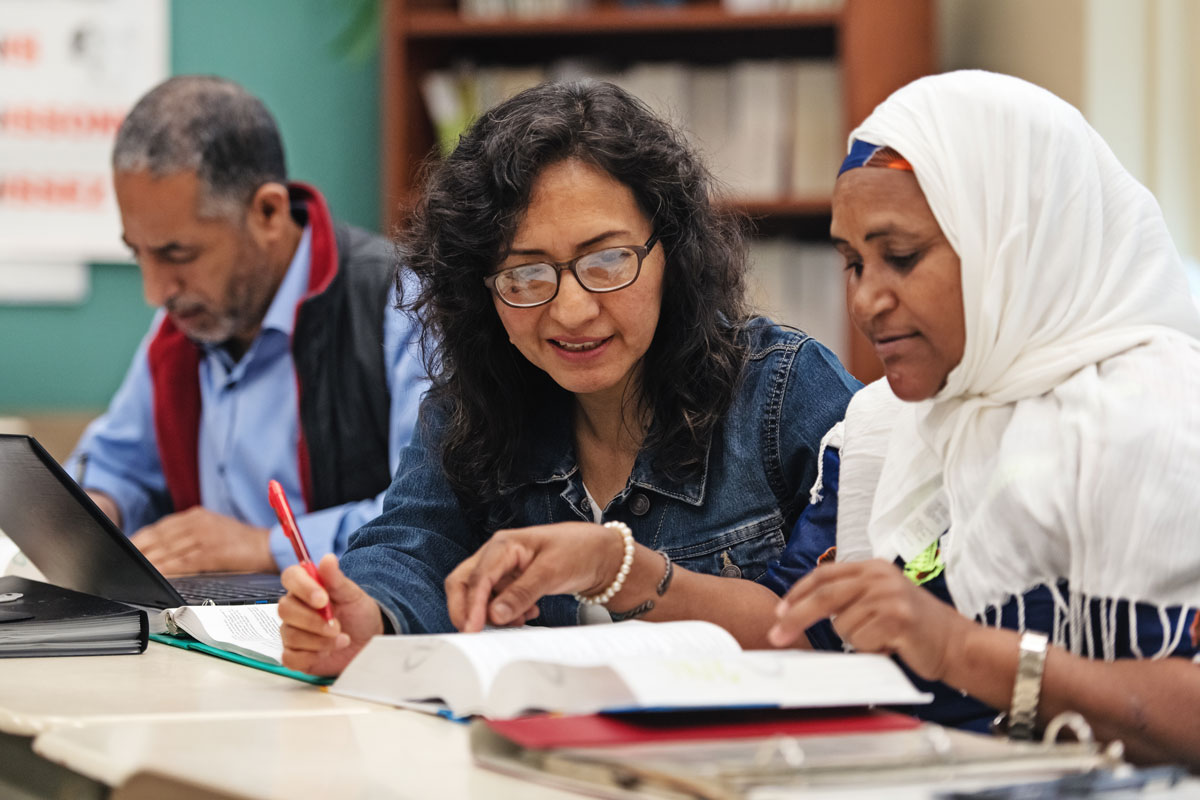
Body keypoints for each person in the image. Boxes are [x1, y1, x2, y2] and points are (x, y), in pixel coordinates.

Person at [277, 80, 859, 676]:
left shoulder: (784, 390)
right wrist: (366, 618)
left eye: (607, 260)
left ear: (672, 253)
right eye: (525, 275)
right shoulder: (474, 404)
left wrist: (617, 569)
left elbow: (836, 631)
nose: (572, 311)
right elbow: (411, 547)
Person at [764, 71, 1200, 766]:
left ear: (1013, 243)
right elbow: (799, 629)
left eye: (900, 257)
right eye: (852, 263)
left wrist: (963, 649)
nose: (867, 300)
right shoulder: (886, 421)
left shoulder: (1154, 415)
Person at [71, 76, 427, 576]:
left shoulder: (399, 305)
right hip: (204, 631)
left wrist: (267, 546)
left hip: (349, 631)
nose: (155, 291)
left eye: (178, 254)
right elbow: (116, 466)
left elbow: (428, 520)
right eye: (140, 254)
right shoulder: (183, 324)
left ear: (268, 212)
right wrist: (97, 510)